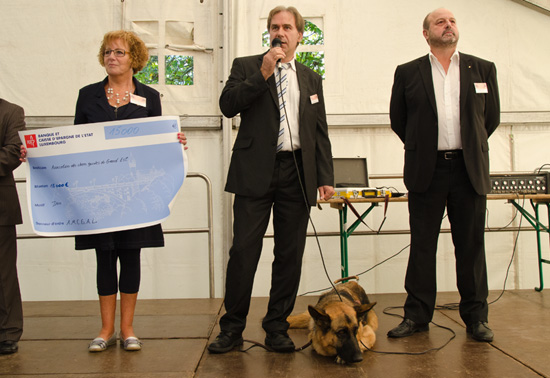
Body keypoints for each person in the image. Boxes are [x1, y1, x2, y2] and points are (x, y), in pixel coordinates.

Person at [19, 30, 188, 352]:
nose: (112, 57)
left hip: (137, 195)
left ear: (134, 59)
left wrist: (174, 143)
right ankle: (106, 328)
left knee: (132, 255)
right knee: (104, 256)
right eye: (108, 52)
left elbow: (157, 143)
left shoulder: (150, 97)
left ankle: (128, 329)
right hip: (97, 194)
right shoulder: (88, 95)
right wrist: (38, 154)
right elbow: (73, 144)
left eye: (119, 52)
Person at [207, 6, 334, 354]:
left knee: (289, 254)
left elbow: (318, 130)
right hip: (255, 171)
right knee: (244, 252)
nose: (281, 32)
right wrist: (263, 73)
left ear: (299, 35)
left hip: (297, 172)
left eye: (288, 27)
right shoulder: (247, 65)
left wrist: (325, 176)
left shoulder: (310, 77)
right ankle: (231, 328)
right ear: (269, 33)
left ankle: (276, 326)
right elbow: (228, 105)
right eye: (275, 27)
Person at [387, 8, 500, 342]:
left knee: (470, 246)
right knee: (423, 246)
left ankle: (476, 318)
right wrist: (424, 147)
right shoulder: (408, 72)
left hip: (469, 170)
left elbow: (488, 121)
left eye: (452, 21)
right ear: (426, 33)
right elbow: (399, 120)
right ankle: (417, 317)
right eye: (440, 22)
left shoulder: (482, 69)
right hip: (427, 170)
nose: (448, 25)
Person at [0, 98, 26, 355]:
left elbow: (12, 153)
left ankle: (7, 333)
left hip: (1, 207)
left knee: (3, 274)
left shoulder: (11, 112)